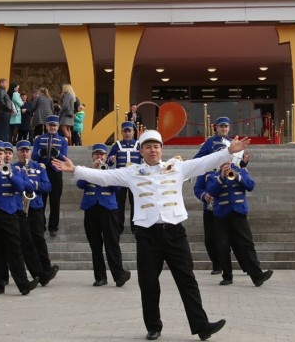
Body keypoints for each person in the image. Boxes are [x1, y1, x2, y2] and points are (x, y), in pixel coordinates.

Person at [52, 129, 244, 341]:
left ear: (161, 149)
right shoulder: (132, 172)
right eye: (148, 147)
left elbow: (205, 163)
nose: (153, 150)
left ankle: (201, 325)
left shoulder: (177, 168)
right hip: (147, 234)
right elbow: (105, 177)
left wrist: (228, 152)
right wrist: (75, 170)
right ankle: (153, 326)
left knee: (187, 279)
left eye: (156, 146)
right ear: (141, 151)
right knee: (148, 282)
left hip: (174, 232)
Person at [0, 140, 40, 296]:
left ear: (5, 155)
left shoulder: (15, 170)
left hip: (9, 214)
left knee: (15, 249)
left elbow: (21, 187)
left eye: (1, 153)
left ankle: (23, 285)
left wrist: (8, 173)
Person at [205, 152, 272, 287]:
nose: (226, 164)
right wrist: (222, 177)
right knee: (223, 246)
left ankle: (257, 276)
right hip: (221, 215)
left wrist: (236, 176)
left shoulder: (240, 171)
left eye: (228, 161)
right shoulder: (213, 176)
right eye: (223, 162)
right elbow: (212, 192)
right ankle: (227, 276)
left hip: (238, 212)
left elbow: (251, 186)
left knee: (247, 245)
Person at [78, 143, 131, 287]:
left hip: (108, 209)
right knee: (95, 244)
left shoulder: (111, 171)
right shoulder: (86, 170)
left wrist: (106, 173)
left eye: (102, 154)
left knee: (112, 243)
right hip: (91, 208)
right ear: (92, 156)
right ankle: (100, 277)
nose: (99, 157)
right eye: (96, 154)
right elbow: (80, 184)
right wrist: (92, 172)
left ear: (106, 157)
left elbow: (118, 187)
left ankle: (119, 275)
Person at [194, 117, 238, 274]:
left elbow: (238, 163)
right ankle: (216, 263)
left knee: (232, 235)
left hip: (229, 188)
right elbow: (197, 158)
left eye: (226, 126)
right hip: (212, 184)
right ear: (216, 128)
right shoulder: (210, 142)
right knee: (210, 236)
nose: (224, 129)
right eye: (221, 126)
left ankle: (238, 264)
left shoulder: (234, 142)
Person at [11, 140, 59, 286]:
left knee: (39, 237)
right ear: (17, 153)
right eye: (22, 151)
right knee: (26, 241)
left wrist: (32, 185)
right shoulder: (13, 168)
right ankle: (36, 272)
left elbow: (48, 186)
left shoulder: (39, 167)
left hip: (36, 206)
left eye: (27, 151)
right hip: (20, 208)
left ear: (31, 153)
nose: (25, 153)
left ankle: (46, 268)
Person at [32, 115, 69, 237]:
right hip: (42, 172)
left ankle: (53, 227)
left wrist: (56, 153)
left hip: (56, 171)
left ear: (58, 127)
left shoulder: (63, 140)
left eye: (54, 125)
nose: (52, 127)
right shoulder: (39, 139)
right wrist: (40, 152)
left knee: (55, 201)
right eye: (50, 125)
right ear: (46, 126)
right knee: (41, 201)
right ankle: (40, 226)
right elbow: (33, 157)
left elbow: (64, 157)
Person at [108, 121, 141, 236]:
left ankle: (135, 228)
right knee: (119, 204)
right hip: (120, 178)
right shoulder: (117, 145)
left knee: (135, 203)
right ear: (122, 132)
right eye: (125, 131)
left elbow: (145, 160)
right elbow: (108, 162)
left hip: (135, 179)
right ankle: (118, 227)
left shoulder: (138, 144)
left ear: (133, 132)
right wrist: (111, 160)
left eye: (129, 131)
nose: (127, 133)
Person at [0, 78, 12, 146]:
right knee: (4, 130)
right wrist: (8, 108)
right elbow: (0, 101)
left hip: (5, 112)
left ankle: (5, 144)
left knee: (5, 130)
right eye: (5, 83)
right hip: (4, 112)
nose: (6, 84)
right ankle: (4, 144)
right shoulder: (0, 91)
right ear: (1, 83)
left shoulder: (3, 91)